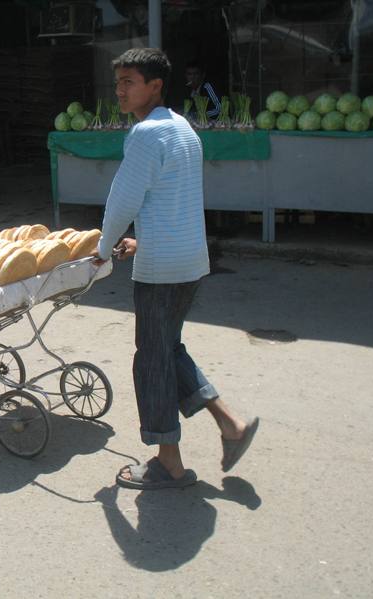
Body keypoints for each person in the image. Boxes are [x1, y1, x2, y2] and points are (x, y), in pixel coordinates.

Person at [91, 48, 258, 490]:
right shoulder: (183, 128)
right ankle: (231, 425)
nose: (121, 90)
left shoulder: (146, 134)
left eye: (130, 81)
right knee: (168, 349)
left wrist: (104, 247)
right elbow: (172, 202)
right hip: (189, 262)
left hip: (162, 270)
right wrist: (140, 239)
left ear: (155, 85)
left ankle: (168, 462)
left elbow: (123, 200)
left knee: (152, 361)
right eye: (119, 82)